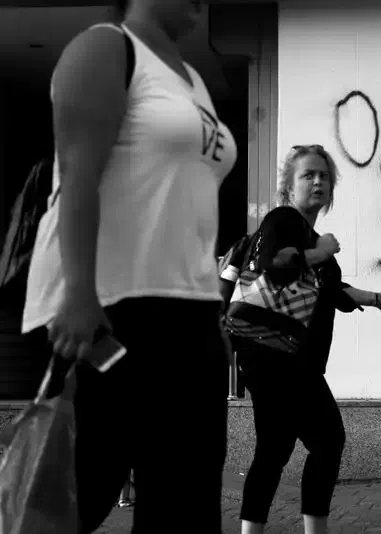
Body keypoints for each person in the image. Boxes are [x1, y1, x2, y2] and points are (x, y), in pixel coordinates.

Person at [20, 0, 237, 531]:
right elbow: (77, 176)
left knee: (186, 508)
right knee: (67, 504)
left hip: (190, 318)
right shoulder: (104, 48)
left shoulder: (192, 81)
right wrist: (79, 295)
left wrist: (209, 315)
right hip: (109, 313)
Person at [219, 144, 381, 534]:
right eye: (308, 175)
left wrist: (373, 298)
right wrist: (318, 253)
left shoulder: (315, 241)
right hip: (273, 356)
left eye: (324, 175)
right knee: (327, 439)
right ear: (289, 186)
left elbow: (334, 291)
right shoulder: (283, 220)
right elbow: (274, 265)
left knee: (274, 450)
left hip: (289, 359)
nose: (318, 181)